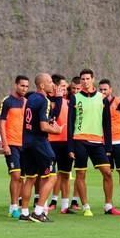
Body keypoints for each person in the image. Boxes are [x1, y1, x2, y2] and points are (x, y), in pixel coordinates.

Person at [68, 69, 120, 216]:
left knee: (107, 173)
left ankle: (108, 206)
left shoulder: (102, 98)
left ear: (93, 79)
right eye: (82, 79)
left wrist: (108, 146)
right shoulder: (75, 98)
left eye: (87, 79)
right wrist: (70, 146)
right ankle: (86, 206)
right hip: (79, 140)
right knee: (80, 174)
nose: (85, 81)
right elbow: (70, 122)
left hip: (97, 142)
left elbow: (107, 124)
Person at [19, 73, 62, 222]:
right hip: (39, 142)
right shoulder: (44, 100)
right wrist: (57, 130)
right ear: (42, 85)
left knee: (30, 178)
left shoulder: (30, 98)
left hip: (27, 141)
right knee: (52, 176)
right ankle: (38, 211)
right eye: (50, 82)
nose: (53, 84)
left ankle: (24, 213)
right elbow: (44, 126)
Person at [99, 79, 120, 208]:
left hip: (118, 142)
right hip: (104, 142)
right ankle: (109, 200)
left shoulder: (119, 102)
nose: (103, 92)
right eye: (101, 90)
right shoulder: (98, 103)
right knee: (107, 172)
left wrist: (118, 133)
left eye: (105, 89)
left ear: (111, 89)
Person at [0, 75, 28, 218]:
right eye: (22, 86)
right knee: (15, 175)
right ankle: (13, 206)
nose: (24, 89)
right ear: (16, 85)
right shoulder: (7, 101)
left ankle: (19, 205)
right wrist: (5, 143)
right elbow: (2, 123)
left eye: (26, 86)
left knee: (21, 177)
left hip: (24, 145)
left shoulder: (27, 102)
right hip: (11, 143)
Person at [48, 74, 75, 214]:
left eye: (66, 87)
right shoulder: (49, 102)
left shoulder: (68, 102)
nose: (66, 89)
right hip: (51, 143)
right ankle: (44, 203)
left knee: (65, 174)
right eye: (63, 86)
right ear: (55, 87)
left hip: (66, 143)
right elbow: (53, 116)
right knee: (48, 175)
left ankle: (65, 206)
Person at [69, 76, 82, 210]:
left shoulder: (84, 101)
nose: (75, 91)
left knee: (79, 172)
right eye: (73, 88)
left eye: (78, 88)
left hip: (79, 140)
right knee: (61, 173)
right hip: (65, 140)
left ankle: (75, 201)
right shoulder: (67, 99)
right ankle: (55, 201)